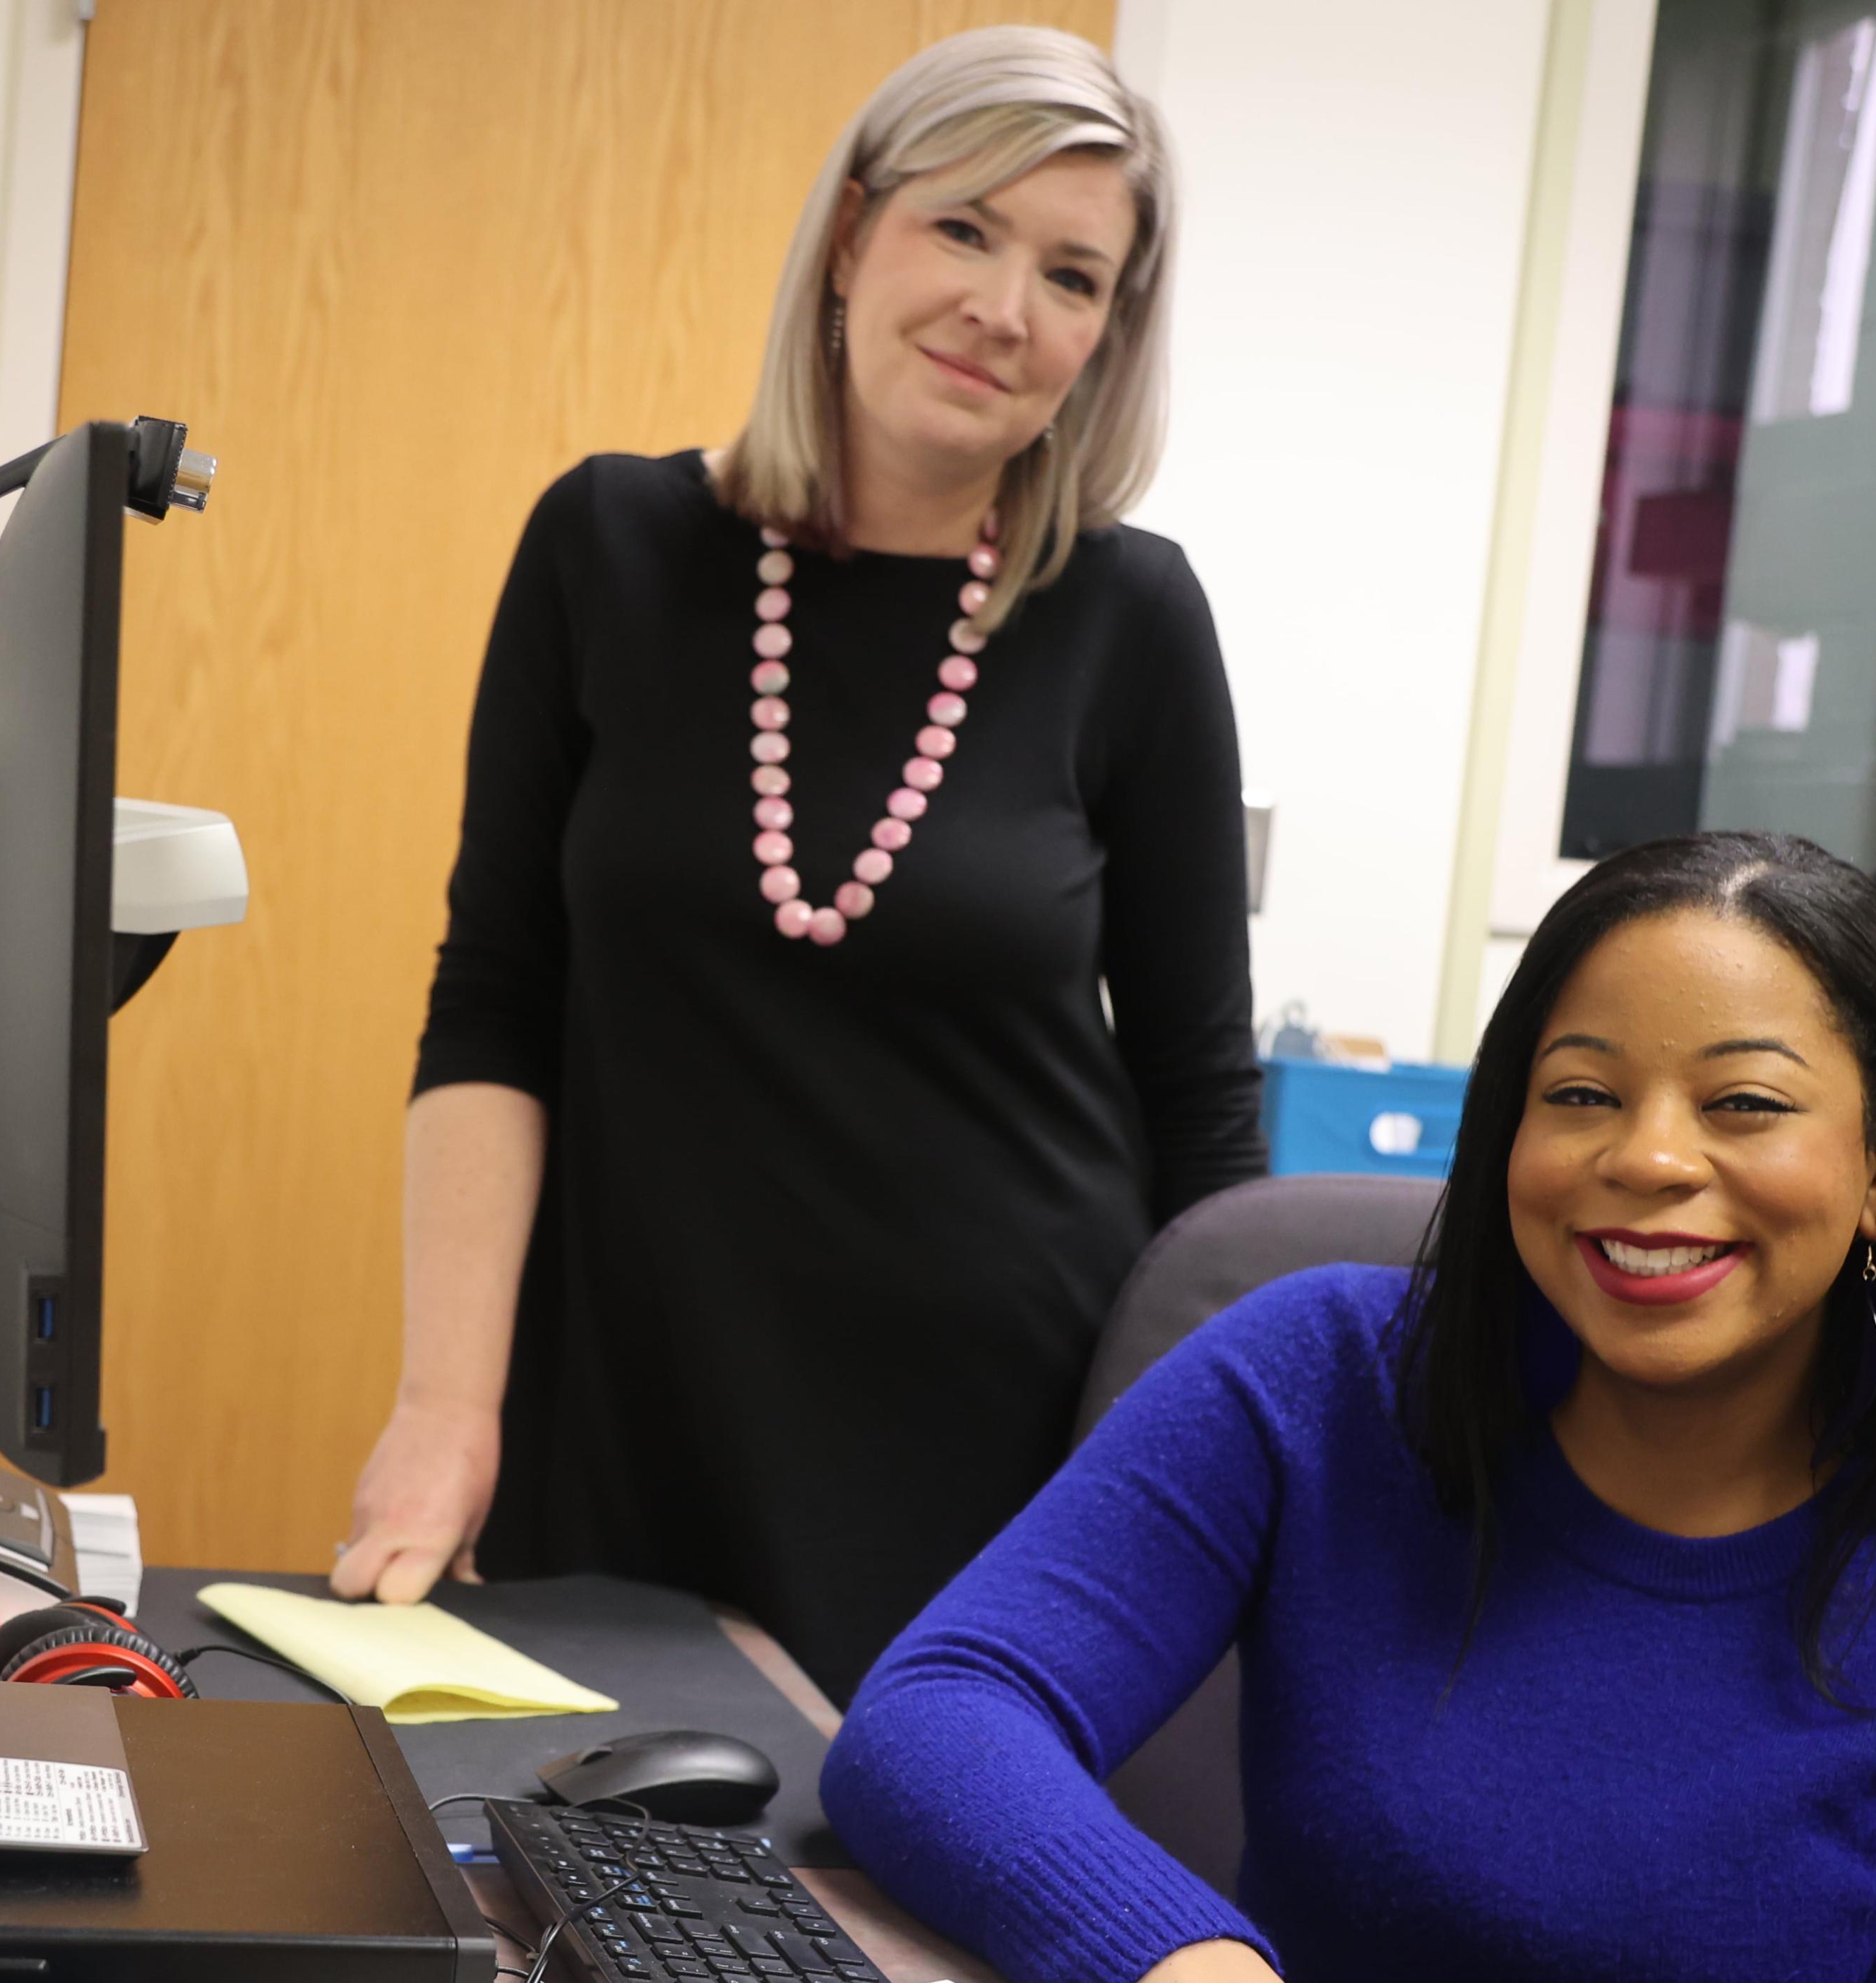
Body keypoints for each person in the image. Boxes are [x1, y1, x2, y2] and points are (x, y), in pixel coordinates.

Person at [330, 25, 1263, 1703]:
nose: (1003, 307)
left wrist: (1204, 1504)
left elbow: (1204, 1110)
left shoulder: (1131, 620)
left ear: (1106, 338)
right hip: (632, 1398)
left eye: (1072, 275)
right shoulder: (607, 547)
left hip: (1008, 1446)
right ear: (851, 236)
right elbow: (495, 1004)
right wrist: (440, 1405)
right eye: (963, 229)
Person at [823, 832, 1876, 1980]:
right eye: (1579, 1093)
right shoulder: (1326, 1375)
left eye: (1743, 1103)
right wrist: (1182, 1959)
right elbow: (941, 1710)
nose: (1645, 1156)